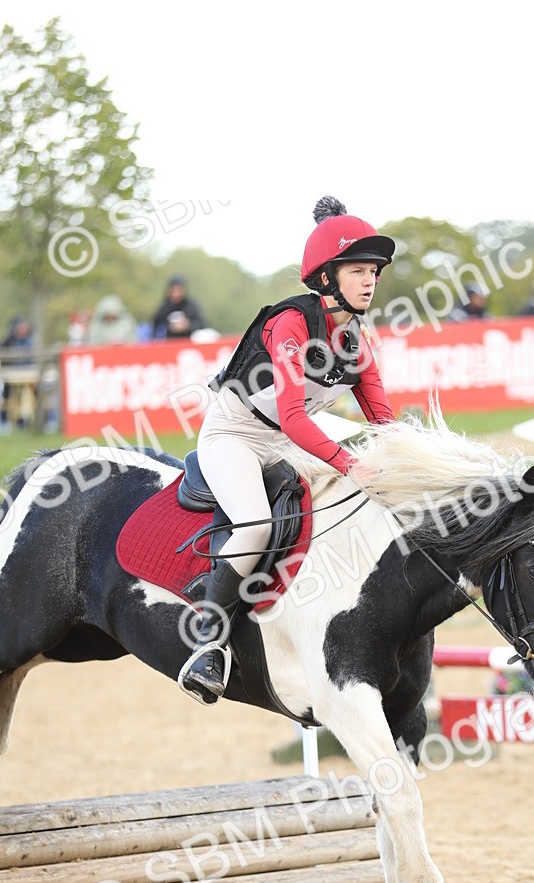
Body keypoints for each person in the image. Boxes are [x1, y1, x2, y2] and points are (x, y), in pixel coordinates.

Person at [177, 195, 396, 705]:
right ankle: (208, 642)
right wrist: (350, 462)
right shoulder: (290, 324)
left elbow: (383, 421)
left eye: (375, 272)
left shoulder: (358, 341)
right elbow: (295, 416)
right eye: (359, 270)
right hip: (234, 436)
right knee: (255, 526)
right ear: (327, 277)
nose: (370, 281)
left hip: (284, 440)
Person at [0, 316, 35, 429]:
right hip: (12, 375)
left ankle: (29, 420)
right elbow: (2, 356)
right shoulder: (9, 341)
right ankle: (7, 421)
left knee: (30, 395)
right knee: (11, 396)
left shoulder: (30, 340)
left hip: (28, 374)